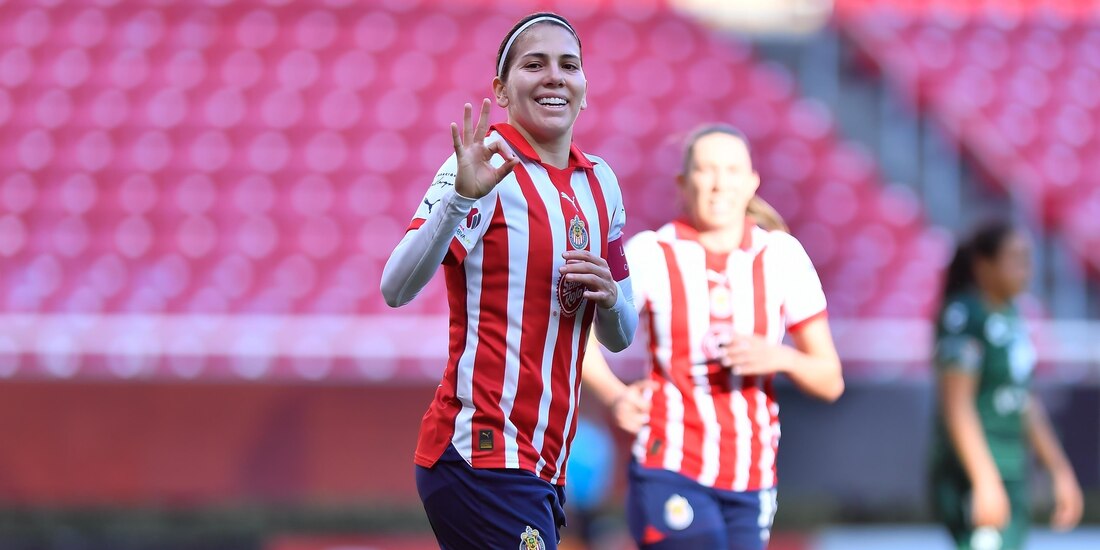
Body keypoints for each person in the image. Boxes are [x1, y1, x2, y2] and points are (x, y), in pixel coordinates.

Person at [379, 12, 637, 550]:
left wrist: (611, 297)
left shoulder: (602, 184)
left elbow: (620, 334)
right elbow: (395, 287)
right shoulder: (481, 167)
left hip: (545, 464)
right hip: (481, 450)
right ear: (500, 87)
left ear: (584, 89)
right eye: (534, 64)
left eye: (568, 65)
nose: (554, 77)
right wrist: (459, 200)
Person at [581, 124, 844, 549]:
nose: (720, 183)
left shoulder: (782, 256)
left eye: (731, 170)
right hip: (670, 460)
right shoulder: (653, 252)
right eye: (706, 170)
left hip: (751, 474)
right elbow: (581, 341)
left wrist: (780, 358)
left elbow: (830, 379)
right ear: (684, 183)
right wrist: (615, 395)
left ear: (752, 182)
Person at [929, 220, 1083, 550]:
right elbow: (956, 405)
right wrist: (983, 478)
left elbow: (1022, 399)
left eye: (1028, 258)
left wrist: (1059, 470)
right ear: (984, 265)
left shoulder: (1013, 316)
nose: (1026, 269)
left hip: (1012, 467)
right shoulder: (964, 315)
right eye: (1016, 258)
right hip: (974, 472)